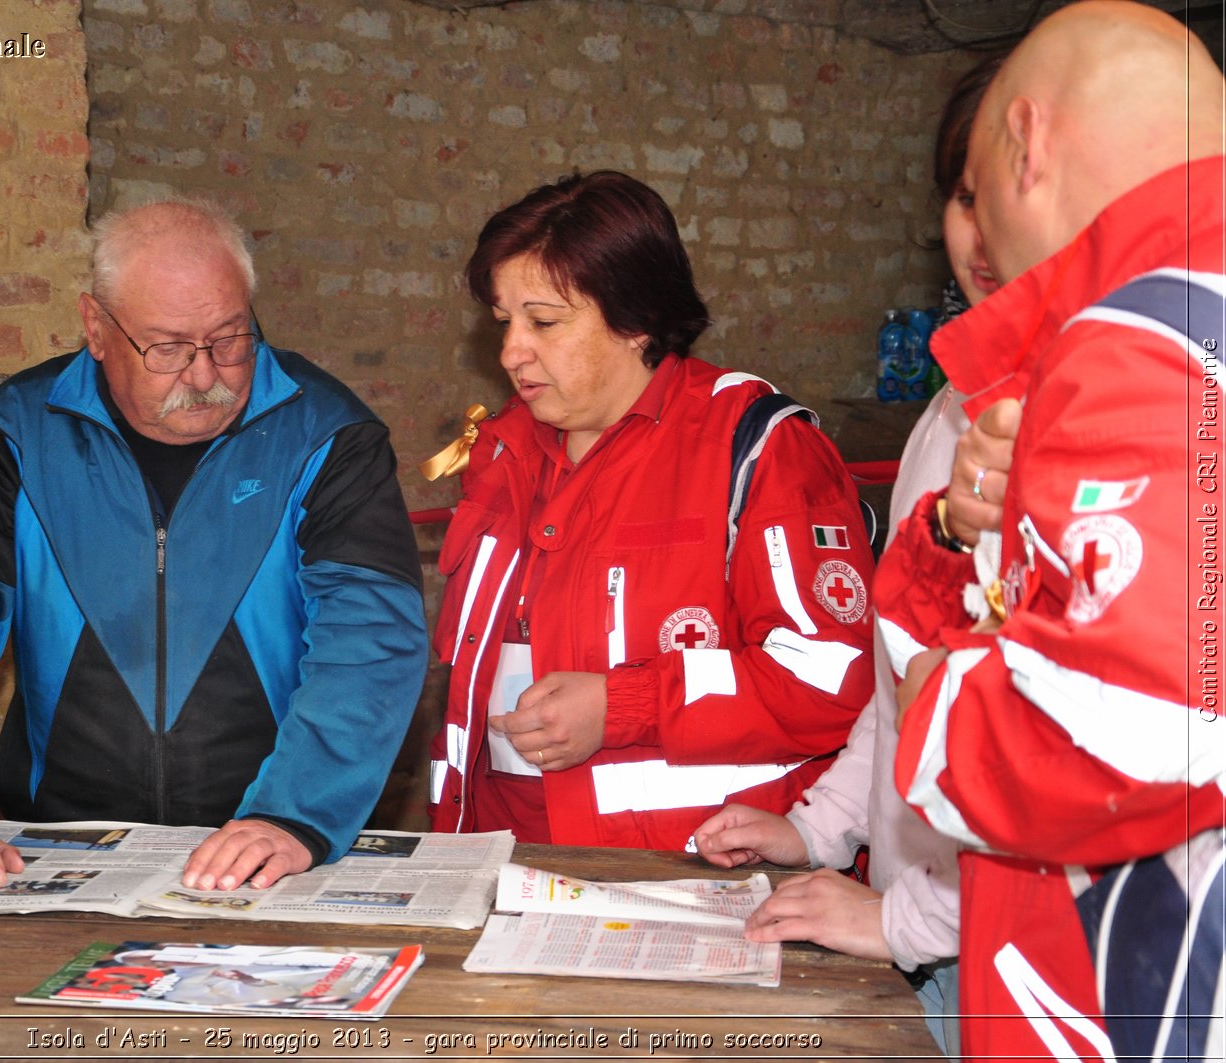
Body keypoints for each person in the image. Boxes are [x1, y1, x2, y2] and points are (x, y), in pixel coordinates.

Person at [0, 197, 429, 892]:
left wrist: (295, 814)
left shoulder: (326, 436)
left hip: (267, 847)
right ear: (96, 328)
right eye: (167, 347)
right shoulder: (13, 438)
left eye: (229, 339)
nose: (203, 374)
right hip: (58, 845)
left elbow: (369, 640)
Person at [876, 4, 1225, 1058]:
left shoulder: (1146, 329)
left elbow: (1135, 719)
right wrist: (957, 539)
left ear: (1028, 144)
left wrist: (939, 701)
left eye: (977, 193)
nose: (980, 238)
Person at [693, 53, 1002, 1057]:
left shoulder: (1167, 436)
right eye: (966, 193)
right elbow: (899, 677)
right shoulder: (950, 417)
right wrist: (818, 825)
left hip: (1037, 970)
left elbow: (1104, 781)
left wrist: (905, 922)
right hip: (925, 946)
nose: (989, 229)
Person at [423, 170, 876, 851]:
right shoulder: (503, 453)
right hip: (499, 858)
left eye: (543, 320)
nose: (512, 350)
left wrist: (624, 705)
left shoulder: (755, 449)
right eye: (504, 322)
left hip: (682, 877)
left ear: (634, 320)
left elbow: (831, 677)